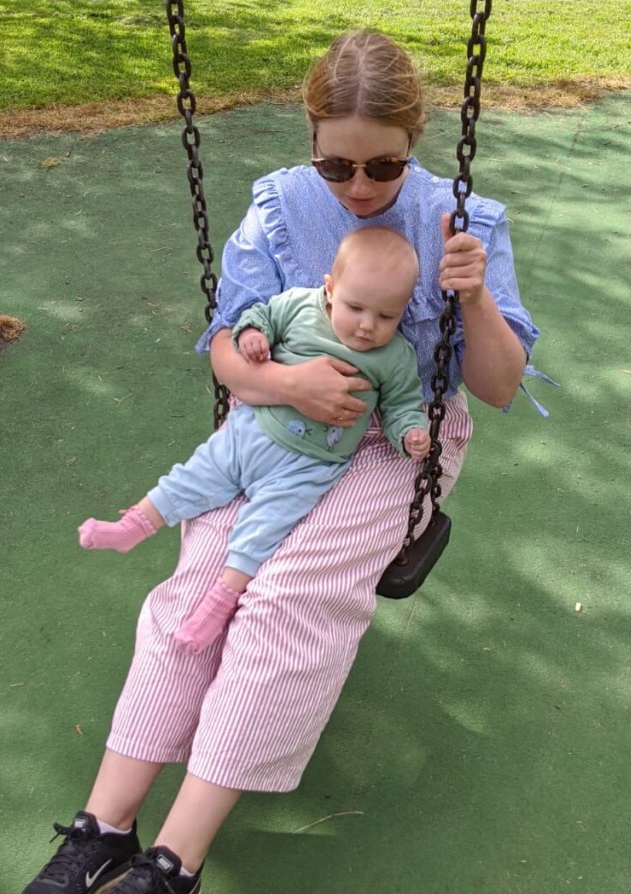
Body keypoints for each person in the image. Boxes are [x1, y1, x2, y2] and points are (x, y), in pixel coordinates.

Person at [5, 30, 541, 894]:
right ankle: (105, 825)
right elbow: (227, 348)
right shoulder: (280, 209)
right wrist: (288, 384)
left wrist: (474, 299)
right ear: (311, 140)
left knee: (283, 596)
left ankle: (175, 862)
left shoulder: (464, 222)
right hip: (278, 427)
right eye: (338, 164)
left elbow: (496, 387)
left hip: (394, 447)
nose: (359, 186)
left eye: (383, 165)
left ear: (415, 143)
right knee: (193, 587)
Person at [75, 226, 431, 655]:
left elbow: (402, 404)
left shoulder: (395, 357)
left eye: (386, 317)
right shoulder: (298, 306)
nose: (367, 326)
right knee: (195, 476)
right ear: (331, 288)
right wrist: (252, 336)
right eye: (355, 307)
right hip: (253, 430)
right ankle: (132, 526)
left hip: (311, 465)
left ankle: (215, 608)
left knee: (262, 530)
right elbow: (259, 316)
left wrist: (410, 432)